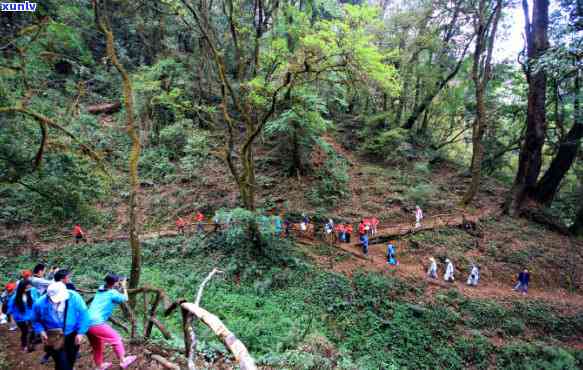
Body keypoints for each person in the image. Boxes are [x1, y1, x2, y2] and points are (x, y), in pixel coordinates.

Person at [32, 281, 90, 370]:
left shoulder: (74, 297)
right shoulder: (40, 304)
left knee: (71, 359)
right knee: (61, 363)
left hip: (72, 334)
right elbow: (35, 320)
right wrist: (41, 331)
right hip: (54, 336)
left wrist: (81, 332)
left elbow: (84, 314)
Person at [87, 274, 136, 370]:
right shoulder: (112, 293)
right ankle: (123, 361)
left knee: (97, 345)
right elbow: (125, 298)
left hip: (86, 322)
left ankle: (99, 366)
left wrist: (118, 284)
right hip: (96, 322)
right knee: (116, 338)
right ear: (115, 283)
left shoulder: (101, 289)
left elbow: (112, 290)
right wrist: (124, 286)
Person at [8, 279, 39, 352]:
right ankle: (24, 345)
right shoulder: (15, 297)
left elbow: (34, 305)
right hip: (20, 318)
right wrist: (12, 321)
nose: (27, 289)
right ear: (21, 287)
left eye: (29, 288)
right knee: (25, 332)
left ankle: (30, 344)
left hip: (30, 317)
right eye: (26, 288)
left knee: (32, 331)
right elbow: (10, 309)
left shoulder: (30, 294)